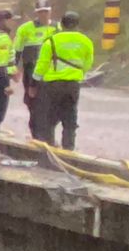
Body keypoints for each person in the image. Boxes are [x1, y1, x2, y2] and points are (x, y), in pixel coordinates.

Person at [32, 10, 95, 150]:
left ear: (61, 24)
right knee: (70, 118)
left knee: (50, 119)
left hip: (53, 85)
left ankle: (49, 149)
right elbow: (88, 63)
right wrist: (77, 74)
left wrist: (33, 84)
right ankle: (69, 149)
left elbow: (41, 64)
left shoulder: (51, 41)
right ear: (77, 25)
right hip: (72, 85)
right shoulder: (86, 41)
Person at [13, 0, 57, 137]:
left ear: (50, 11)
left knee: (52, 105)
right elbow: (17, 51)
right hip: (31, 72)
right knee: (33, 103)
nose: (43, 15)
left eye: (46, 12)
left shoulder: (58, 27)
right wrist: (14, 69)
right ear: (36, 13)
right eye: (40, 12)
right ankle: (36, 133)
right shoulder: (25, 29)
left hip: (52, 73)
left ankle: (49, 136)